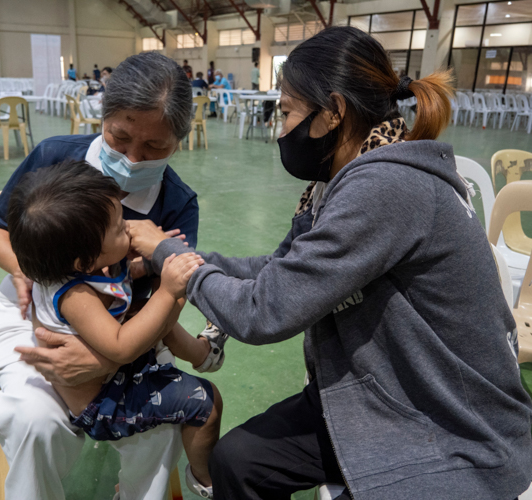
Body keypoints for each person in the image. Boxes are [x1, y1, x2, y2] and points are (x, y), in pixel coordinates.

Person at [128, 26, 532, 500]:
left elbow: (264, 311)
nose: (281, 130)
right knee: (238, 461)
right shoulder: (342, 178)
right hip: (384, 385)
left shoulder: (385, 187)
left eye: (286, 112)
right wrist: (169, 263)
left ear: (334, 112)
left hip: (442, 414)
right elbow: (279, 267)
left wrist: (169, 255)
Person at [0, 51, 213, 500]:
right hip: (39, 318)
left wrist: (107, 358)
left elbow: (166, 295)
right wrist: (32, 272)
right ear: (103, 117)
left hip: (128, 327)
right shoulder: (55, 156)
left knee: (160, 430)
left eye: (154, 148)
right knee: (30, 418)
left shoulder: (177, 202)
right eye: (120, 138)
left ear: (181, 138)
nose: (133, 159)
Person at [7, 160, 223, 497]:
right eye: (119, 227)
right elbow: (122, 347)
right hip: (107, 402)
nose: (129, 228)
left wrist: (138, 263)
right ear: (84, 262)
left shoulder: (78, 267)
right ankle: (208, 484)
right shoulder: (75, 296)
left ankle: (205, 352)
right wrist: (166, 290)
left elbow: (113, 285)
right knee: (207, 403)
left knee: (155, 317)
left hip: (112, 376)